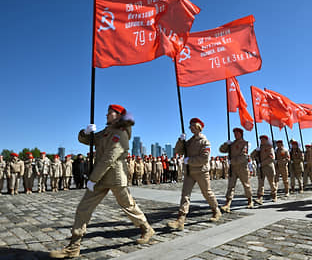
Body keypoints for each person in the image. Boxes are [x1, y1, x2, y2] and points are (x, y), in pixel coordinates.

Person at [50, 104, 154, 258]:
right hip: (100, 177)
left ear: (118, 116)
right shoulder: (106, 131)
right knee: (83, 208)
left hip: (115, 177)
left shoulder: (121, 133)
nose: (106, 115)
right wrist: (85, 132)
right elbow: (88, 140)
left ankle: (146, 228)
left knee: (128, 205)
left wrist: (92, 179)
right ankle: (74, 246)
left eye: (109, 113)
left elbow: (109, 158)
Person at [167, 118, 222, 231]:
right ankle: (181, 219)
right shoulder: (189, 141)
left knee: (207, 193)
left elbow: (204, 158)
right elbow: (179, 151)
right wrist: (180, 141)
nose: (190, 128)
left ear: (198, 126)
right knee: (185, 195)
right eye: (190, 126)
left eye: (192, 126)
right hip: (189, 172)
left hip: (201, 171)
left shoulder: (204, 141)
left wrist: (189, 160)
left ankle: (216, 210)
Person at [219, 127, 253, 212]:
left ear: (241, 134)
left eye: (237, 133)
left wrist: (232, 161)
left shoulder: (245, 143)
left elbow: (244, 156)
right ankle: (228, 203)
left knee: (246, 185)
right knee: (230, 186)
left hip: (242, 167)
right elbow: (221, 150)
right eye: (234, 133)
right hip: (233, 168)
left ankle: (250, 201)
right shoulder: (232, 144)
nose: (235, 135)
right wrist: (226, 144)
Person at [251, 135, 277, 204]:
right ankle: (260, 197)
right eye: (261, 139)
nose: (262, 141)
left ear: (266, 140)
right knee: (260, 184)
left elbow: (271, 158)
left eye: (263, 139)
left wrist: (261, 164)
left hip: (269, 167)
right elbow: (251, 156)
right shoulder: (259, 148)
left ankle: (274, 195)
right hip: (261, 169)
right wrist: (255, 150)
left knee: (271, 183)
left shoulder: (269, 147)